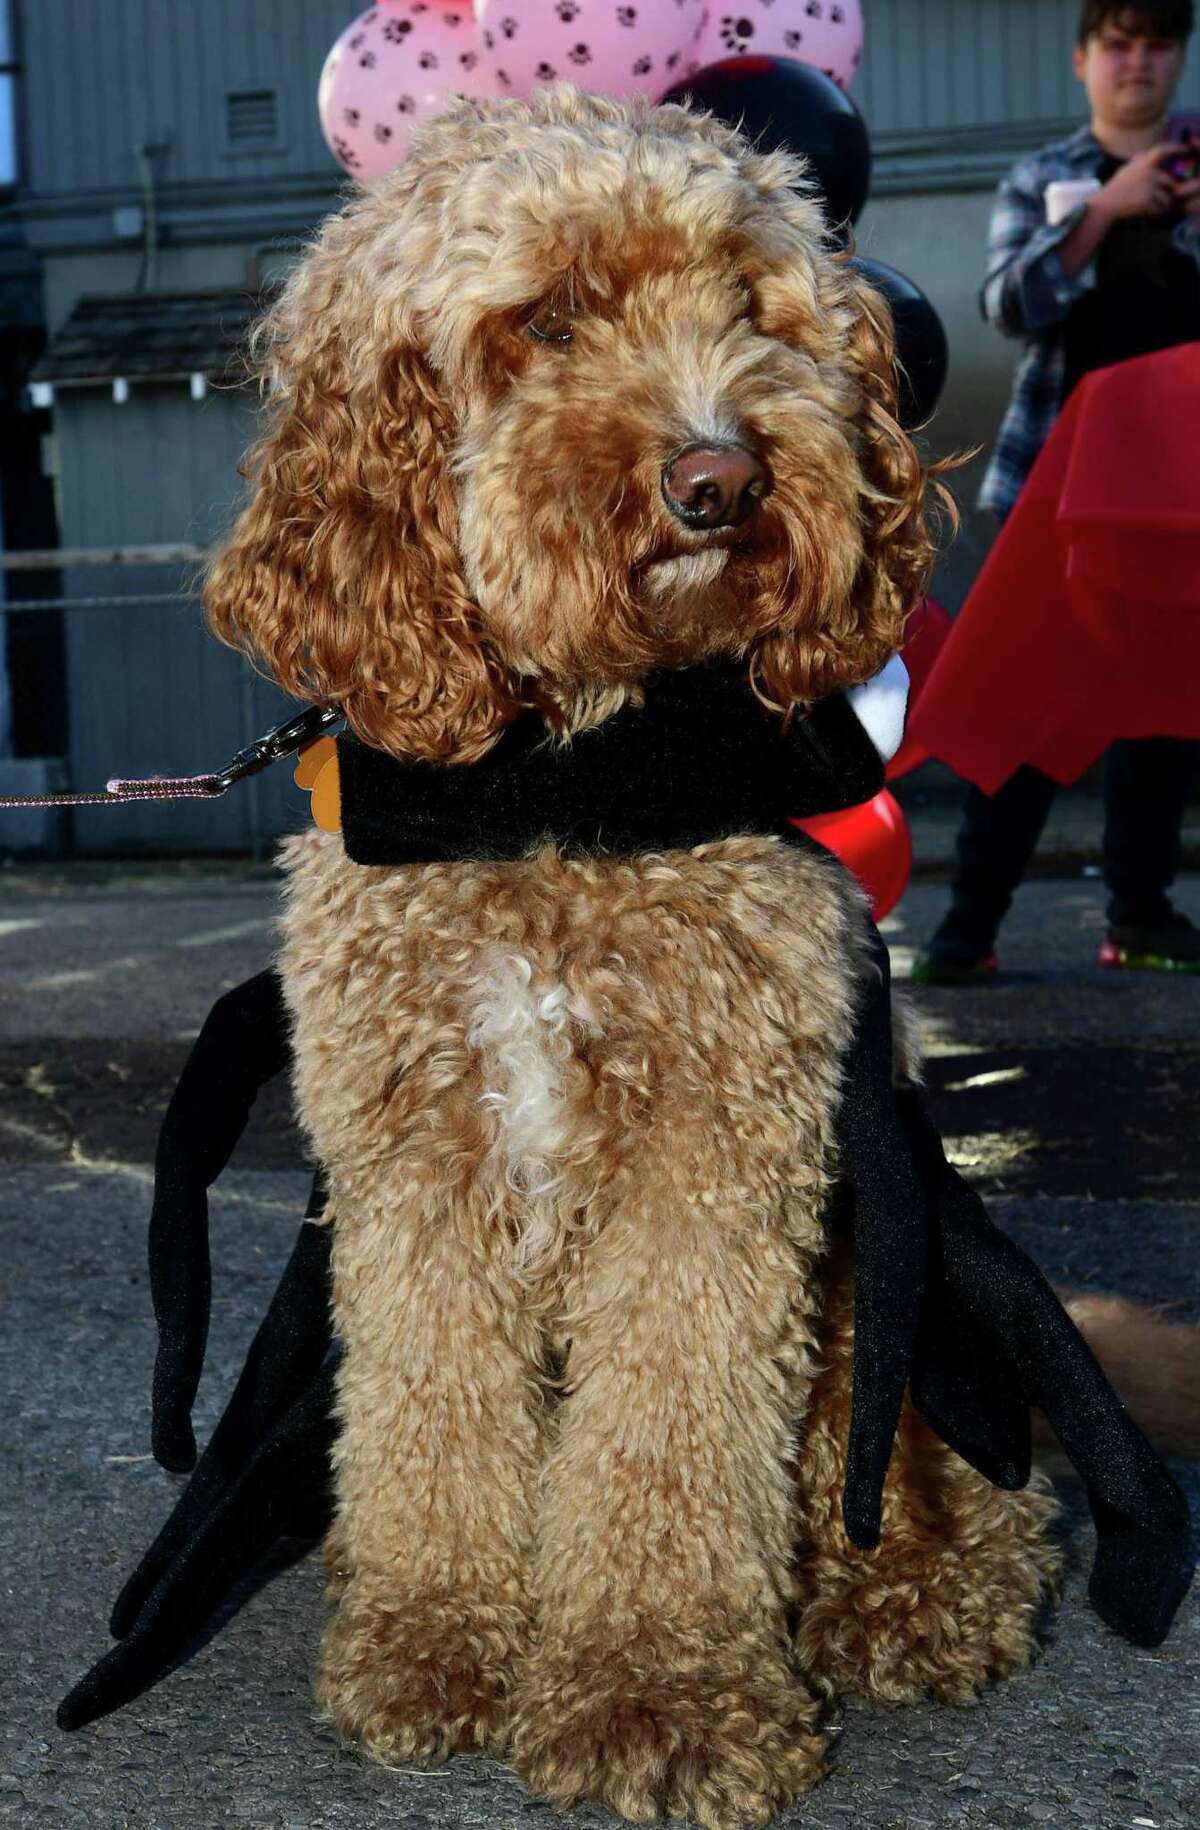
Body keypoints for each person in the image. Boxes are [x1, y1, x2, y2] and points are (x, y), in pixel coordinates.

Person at [915, 0, 1200, 983]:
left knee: (1165, 713)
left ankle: (1143, 913)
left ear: (1180, 57)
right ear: (1081, 60)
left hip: (1179, 496)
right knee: (1035, 699)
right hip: (1059, 489)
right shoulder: (1045, 176)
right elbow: (1007, 305)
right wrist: (1108, 209)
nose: (1138, 63)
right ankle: (967, 925)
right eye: (1118, 44)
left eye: (1158, 44)